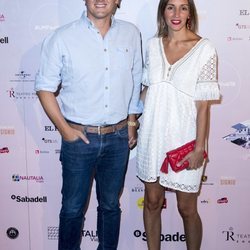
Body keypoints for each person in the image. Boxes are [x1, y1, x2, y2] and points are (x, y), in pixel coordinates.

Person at [35, 0, 142, 249]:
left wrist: (132, 121)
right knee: (72, 209)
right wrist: (65, 131)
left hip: (117, 138)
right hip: (79, 139)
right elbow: (44, 87)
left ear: (118, 0)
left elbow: (136, 78)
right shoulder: (62, 37)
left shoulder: (131, 33)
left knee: (110, 206)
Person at [136, 0, 220, 249]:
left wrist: (198, 148)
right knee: (151, 202)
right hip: (152, 136)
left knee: (187, 207)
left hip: (185, 141)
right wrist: (132, 121)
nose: (176, 13)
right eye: (170, 7)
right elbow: (145, 91)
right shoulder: (152, 45)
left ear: (190, 13)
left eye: (183, 7)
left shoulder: (205, 49)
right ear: (163, 11)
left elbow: (203, 106)